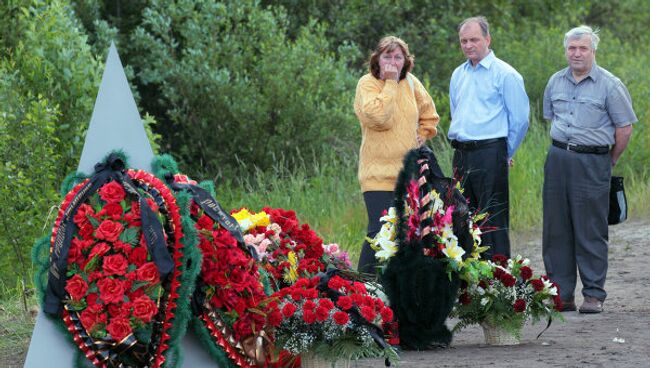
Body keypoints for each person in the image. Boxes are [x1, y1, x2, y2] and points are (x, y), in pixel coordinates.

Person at [542, 25, 636, 313]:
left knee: (590, 229)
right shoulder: (555, 82)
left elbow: (624, 129)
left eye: (583, 48)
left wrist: (608, 160)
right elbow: (551, 118)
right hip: (558, 159)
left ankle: (593, 295)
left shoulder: (610, 85)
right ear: (566, 50)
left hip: (594, 161)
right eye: (572, 48)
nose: (577, 53)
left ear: (593, 51)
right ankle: (562, 294)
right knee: (556, 229)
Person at [354, 36, 440, 274]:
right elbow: (378, 118)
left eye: (398, 57)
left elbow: (430, 114)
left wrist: (423, 133)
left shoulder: (412, 83)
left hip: (409, 173)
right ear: (377, 59)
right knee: (379, 232)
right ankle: (364, 290)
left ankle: (398, 289)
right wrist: (390, 83)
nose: (392, 61)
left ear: (405, 61)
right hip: (377, 174)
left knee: (409, 233)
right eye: (387, 56)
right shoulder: (367, 84)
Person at [448, 16, 529, 259]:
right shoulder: (458, 74)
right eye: (464, 41)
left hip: (490, 153)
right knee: (461, 217)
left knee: (492, 219)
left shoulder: (505, 74)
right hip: (461, 154)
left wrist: (506, 153)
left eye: (474, 39)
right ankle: (469, 284)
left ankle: (496, 282)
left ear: (487, 39)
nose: (469, 45)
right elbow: (456, 111)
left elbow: (520, 120)